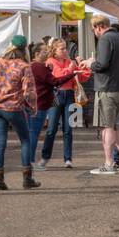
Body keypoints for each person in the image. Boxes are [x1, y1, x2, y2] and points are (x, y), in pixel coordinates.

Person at [82, 15, 119, 175]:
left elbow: (102, 65)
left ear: (98, 27)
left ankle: (109, 162)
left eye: (94, 29)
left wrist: (91, 63)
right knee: (117, 125)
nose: (94, 32)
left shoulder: (105, 39)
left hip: (108, 89)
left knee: (107, 126)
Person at [0, 35, 39, 189]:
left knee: (0, 143)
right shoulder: (24, 66)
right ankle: (27, 178)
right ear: (24, 49)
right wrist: (33, 107)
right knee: (25, 141)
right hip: (14, 108)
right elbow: (29, 91)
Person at [41, 38, 90, 168]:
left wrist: (83, 66)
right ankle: (45, 157)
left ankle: (68, 159)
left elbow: (82, 77)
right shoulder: (50, 62)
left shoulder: (70, 62)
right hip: (56, 95)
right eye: (61, 49)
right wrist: (70, 69)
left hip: (69, 95)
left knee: (68, 129)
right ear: (54, 51)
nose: (65, 51)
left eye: (65, 48)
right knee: (51, 129)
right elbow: (57, 76)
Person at [28, 43, 56, 169]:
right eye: (44, 51)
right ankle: (30, 161)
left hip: (37, 103)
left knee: (33, 133)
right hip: (39, 104)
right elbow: (53, 81)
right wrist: (72, 73)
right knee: (34, 133)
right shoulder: (38, 66)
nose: (47, 52)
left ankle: (29, 160)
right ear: (37, 54)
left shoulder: (36, 66)